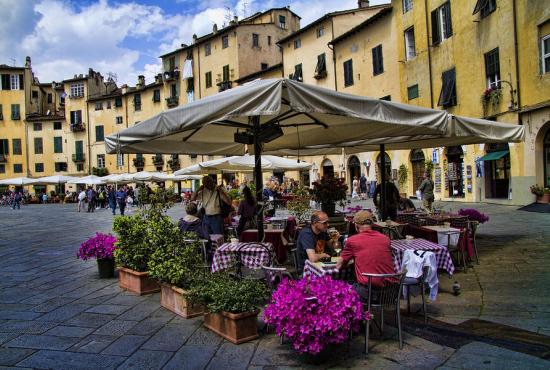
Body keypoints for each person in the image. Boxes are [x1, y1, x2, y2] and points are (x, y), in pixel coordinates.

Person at [336, 210, 395, 301]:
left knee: (339, 290)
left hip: (368, 293)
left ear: (356, 225)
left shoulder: (353, 240)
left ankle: (357, 314)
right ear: (372, 224)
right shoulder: (385, 239)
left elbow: (339, 265)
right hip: (390, 293)